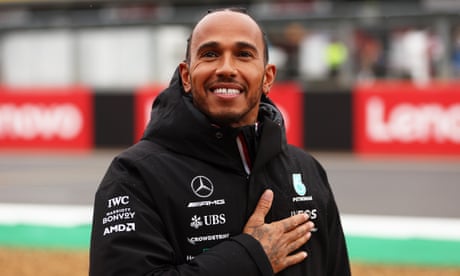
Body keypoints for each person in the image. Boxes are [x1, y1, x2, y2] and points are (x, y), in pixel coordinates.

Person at [89, 7, 350, 275]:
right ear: (187, 76)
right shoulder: (134, 175)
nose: (226, 68)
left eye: (244, 55)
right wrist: (249, 258)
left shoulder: (307, 171)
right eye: (210, 54)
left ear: (268, 77)